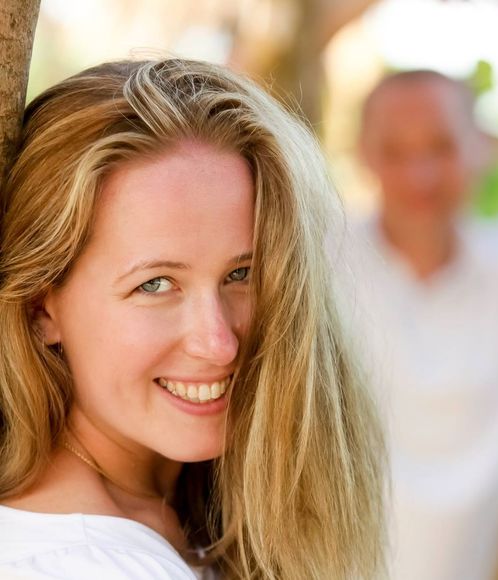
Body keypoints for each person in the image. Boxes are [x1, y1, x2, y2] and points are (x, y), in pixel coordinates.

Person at [0, 59, 385, 579]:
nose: (218, 342)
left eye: (242, 274)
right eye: (155, 284)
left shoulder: (187, 516)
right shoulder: (84, 565)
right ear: (41, 309)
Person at [345, 1, 498, 579]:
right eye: (395, 151)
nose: (420, 174)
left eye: (442, 146)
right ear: (363, 155)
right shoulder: (321, 262)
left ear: (485, 147)